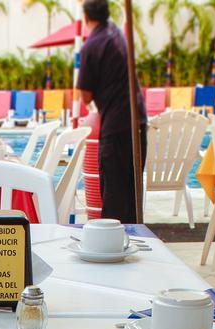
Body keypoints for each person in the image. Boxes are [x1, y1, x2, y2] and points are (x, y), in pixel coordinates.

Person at [77, 0, 147, 223]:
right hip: (137, 122)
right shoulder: (117, 34)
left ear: (86, 17)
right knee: (131, 195)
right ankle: (135, 242)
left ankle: (114, 249)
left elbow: (85, 96)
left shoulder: (92, 46)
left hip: (115, 126)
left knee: (114, 199)